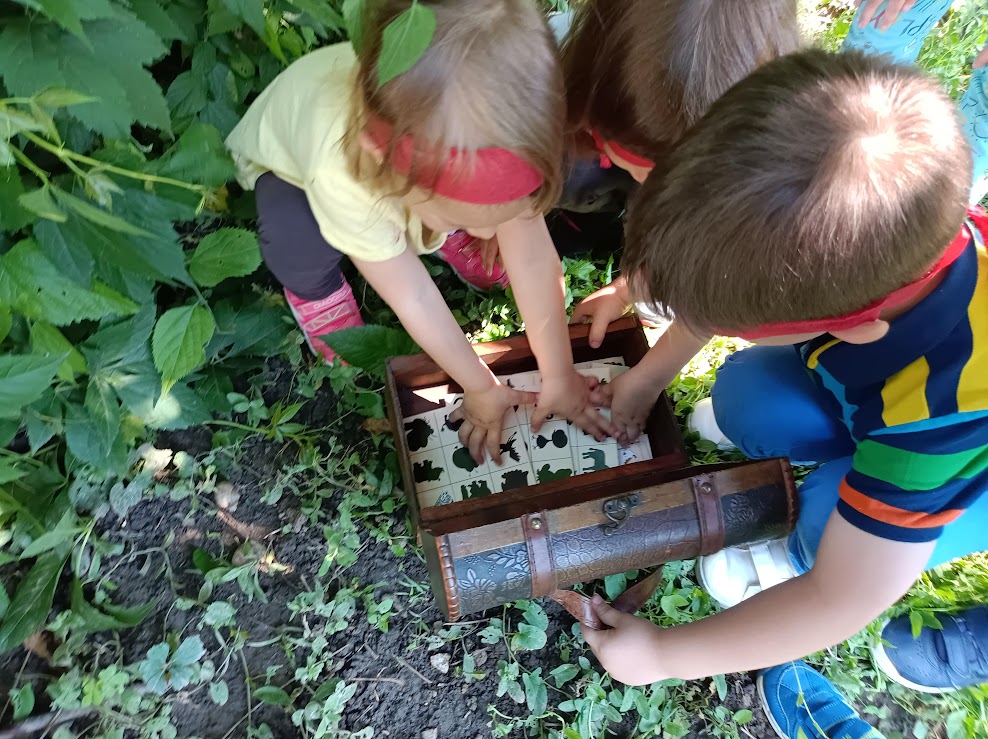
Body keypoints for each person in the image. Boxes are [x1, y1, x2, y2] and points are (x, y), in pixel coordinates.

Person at [577, 48, 988, 739]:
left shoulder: (934, 430)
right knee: (748, 395)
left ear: (852, 325)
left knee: (833, 519)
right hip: (876, 384)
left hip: (968, 461)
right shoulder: (872, 246)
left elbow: (842, 598)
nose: (706, 324)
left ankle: (781, 557)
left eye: (729, 322)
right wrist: (645, 372)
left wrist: (664, 655)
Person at [225, 0, 613, 464]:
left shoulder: (506, 128)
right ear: (386, 160)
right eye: (464, 218)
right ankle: (318, 293)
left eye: (497, 212)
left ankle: (440, 226)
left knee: (466, 216)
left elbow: (533, 259)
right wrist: (478, 385)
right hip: (292, 180)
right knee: (295, 237)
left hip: (416, 186)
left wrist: (560, 374)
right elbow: (413, 295)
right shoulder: (340, 171)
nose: (486, 228)